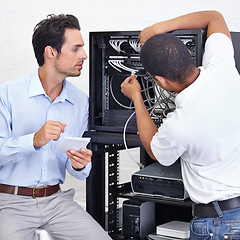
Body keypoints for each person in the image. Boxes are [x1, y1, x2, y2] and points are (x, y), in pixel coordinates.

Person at [121, 10, 240, 239]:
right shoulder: (224, 68)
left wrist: (137, 97)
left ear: (161, 81)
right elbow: (215, 17)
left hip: (218, 224)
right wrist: (159, 28)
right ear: (188, 53)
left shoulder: (180, 124)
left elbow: (155, 151)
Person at [0, 14, 111, 240]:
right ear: (51, 52)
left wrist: (79, 165)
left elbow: (77, 170)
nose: (84, 55)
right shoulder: (8, 94)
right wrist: (34, 140)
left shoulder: (80, 102)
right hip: (10, 203)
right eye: (76, 49)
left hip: (57, 202)